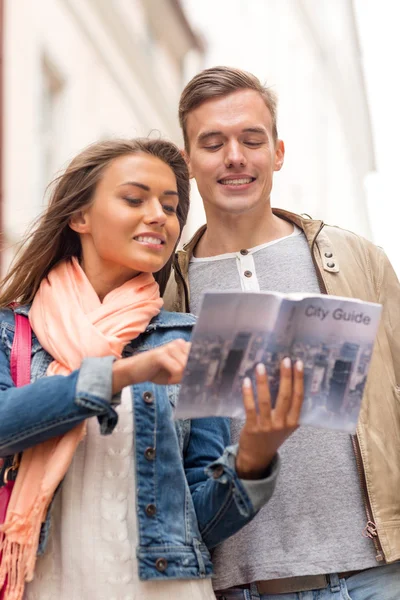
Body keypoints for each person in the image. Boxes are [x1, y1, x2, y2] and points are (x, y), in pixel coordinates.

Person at [0, 137, 304, 600]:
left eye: (171, 205)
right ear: (79, 217)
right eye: (134, 199)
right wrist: (122, 373)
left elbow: (200, 520)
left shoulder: (192, 338)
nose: (160, 216)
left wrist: (254, 458)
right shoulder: (12, 332)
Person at [164, 66, 400, 599]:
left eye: (252, 139)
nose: (235, 157)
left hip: (380, 576)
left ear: (278, 152)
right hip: (247, 586)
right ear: (188, 162)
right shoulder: (166, 292)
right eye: (213, 142)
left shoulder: (356, 259)